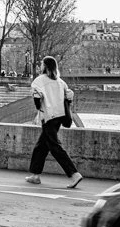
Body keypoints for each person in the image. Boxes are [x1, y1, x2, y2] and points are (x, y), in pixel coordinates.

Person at [26, 55, 83, 189]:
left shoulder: (40, 80)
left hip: (48, 116)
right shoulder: (61, 82)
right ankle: (35, 175)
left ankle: (74, 173)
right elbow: (68, 96)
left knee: (55, 146)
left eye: (41, 64)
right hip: (59, 116)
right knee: (41, 146)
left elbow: (36, 96)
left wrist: (39, 106)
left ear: (44, 66)